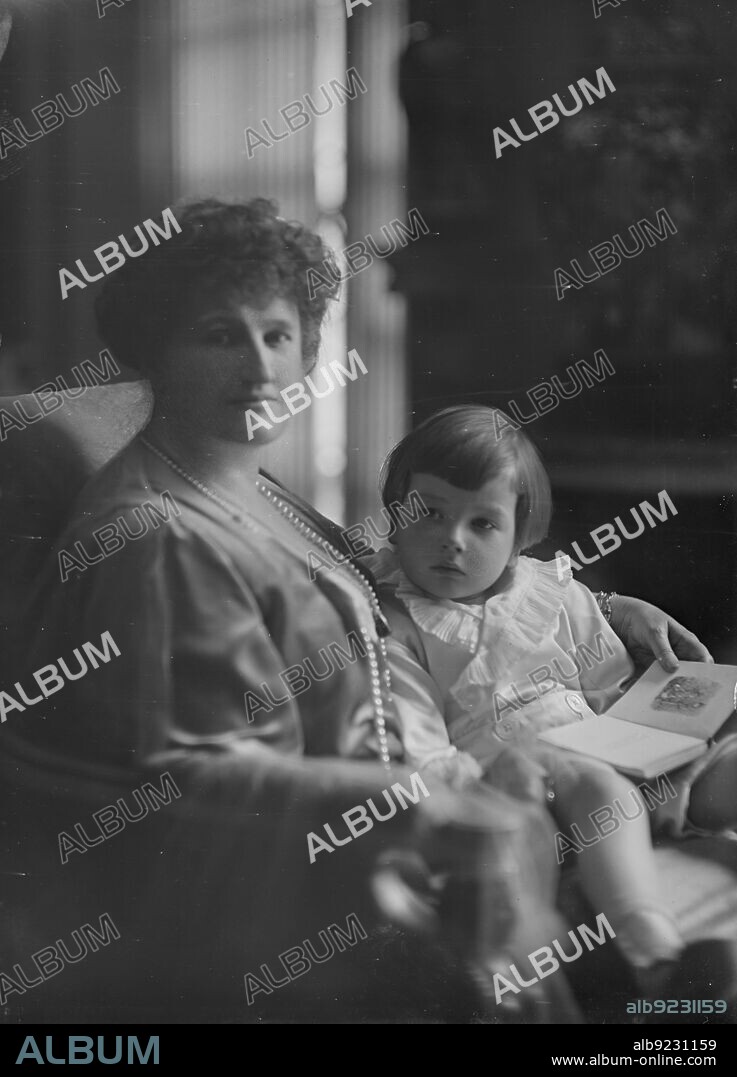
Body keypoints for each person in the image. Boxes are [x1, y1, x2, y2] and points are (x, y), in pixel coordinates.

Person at [0, 200, 715, 1023]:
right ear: (155, 349)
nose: (261, 369)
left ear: (307, 347)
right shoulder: (156, 538)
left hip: (418, 797)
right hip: (318, 879)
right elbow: (185, 778)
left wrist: (604, 606)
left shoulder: (243, 482)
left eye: (277, 334)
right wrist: (424, 805)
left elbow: (385, 581)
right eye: (219, 335)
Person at [361, 404, 737, 1000]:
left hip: (614, 749)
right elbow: (421, 747)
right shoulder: (397, 625)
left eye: (482, 524)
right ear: (394, 513)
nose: (451, 542)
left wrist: (666, 724)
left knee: (724, 762)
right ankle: (654, 952)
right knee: (598, 788)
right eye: (429, 513)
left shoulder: (554, 595)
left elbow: (611, 687)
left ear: (517, 536)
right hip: (525, 783)